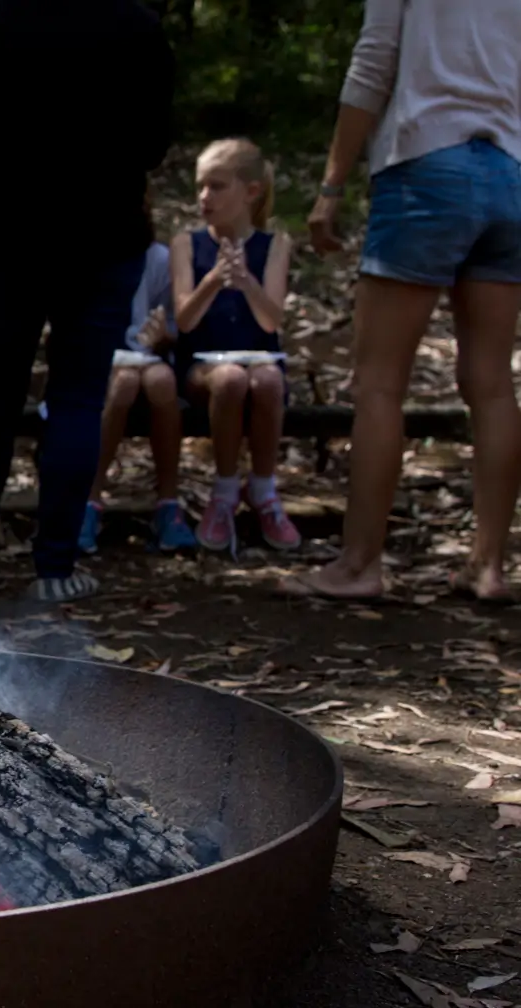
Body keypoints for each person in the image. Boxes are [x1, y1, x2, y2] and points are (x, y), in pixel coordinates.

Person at [0, 0, 175, 602]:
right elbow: (154, 144)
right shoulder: (137, 26)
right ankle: (55, 567)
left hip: (7, 236)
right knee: (79, 399)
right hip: (104, 238)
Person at [285, 0, 521, 602]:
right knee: (492, 383)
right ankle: (488, 565)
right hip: (510, 174)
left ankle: (360, 564)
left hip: (425, 165)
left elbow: (372, 64)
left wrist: (331, 186)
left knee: (380, 383)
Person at [170, 139, 298, 554]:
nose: (205, 197)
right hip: (201, 366)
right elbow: (185, 322)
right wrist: (213, 280)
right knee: (229, 381)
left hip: (259, 357)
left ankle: (263, 490)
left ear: (251, 192)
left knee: (266, 382)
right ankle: (224, 491)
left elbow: (270, 320)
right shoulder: (186, 244)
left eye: (217, 186)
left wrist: (246, 281)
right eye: (200, 187)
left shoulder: (274, 244)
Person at [79, 237, 196, 554]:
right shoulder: (83, 252)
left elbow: (174, 330)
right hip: (97, 360)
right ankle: (88, 501)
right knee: (124, 385)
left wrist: (162, 337)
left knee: (162, 382)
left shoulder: (157, 258)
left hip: (145, 358)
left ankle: (168, 506)